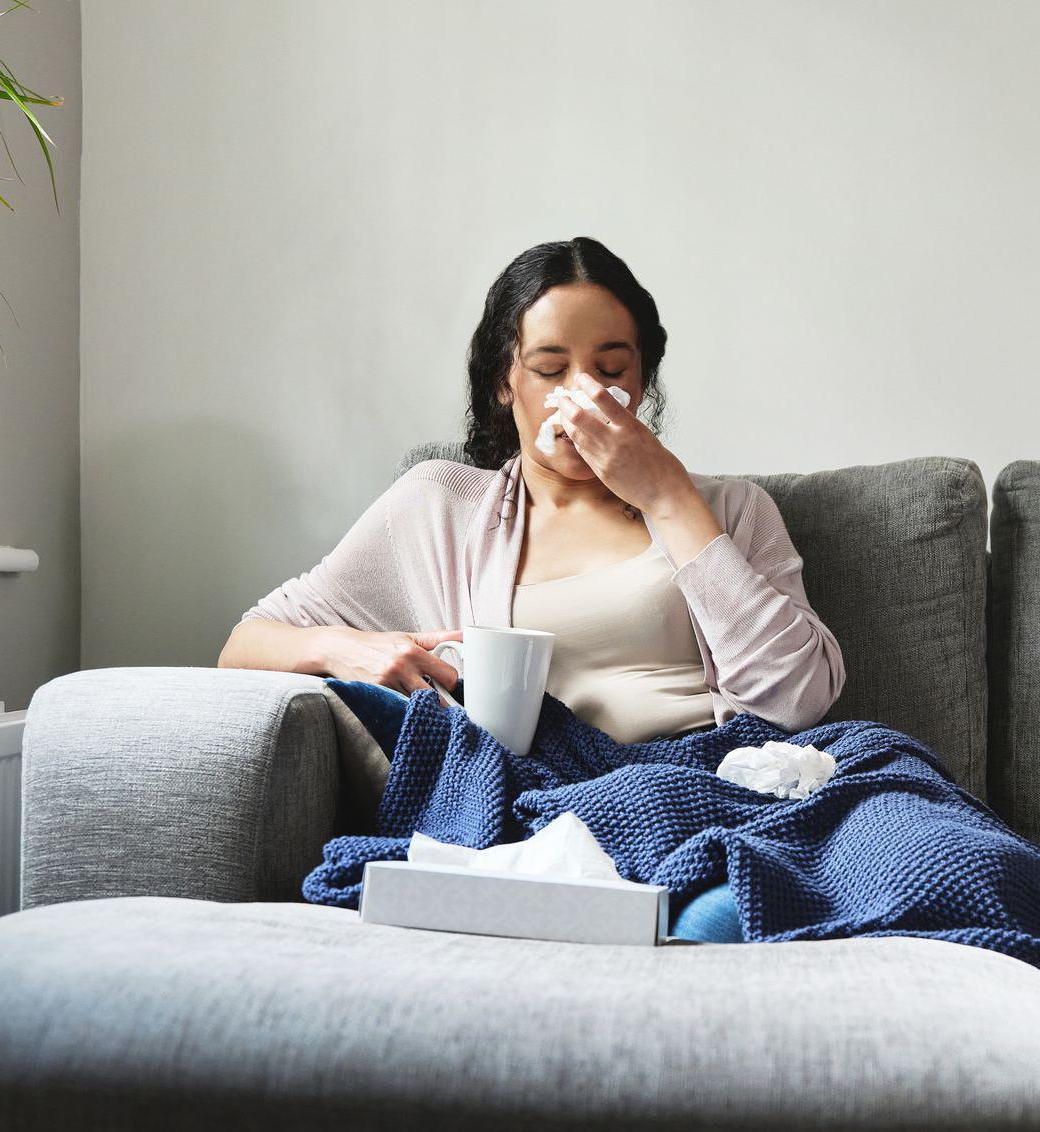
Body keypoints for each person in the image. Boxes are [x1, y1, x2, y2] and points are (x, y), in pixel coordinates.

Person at [218, 236, 845, 941]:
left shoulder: (727, 510)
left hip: (710, 790)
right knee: (713, 915)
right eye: (550, 368)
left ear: (640, 383)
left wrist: (668, 497)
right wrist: (349, 650)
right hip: (557, 802)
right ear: (501, 382)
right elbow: (244, 644)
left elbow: (794, 703)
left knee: (773, 894)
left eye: (611, 367)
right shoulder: (438, 506)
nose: (581, 393)